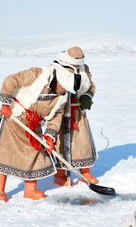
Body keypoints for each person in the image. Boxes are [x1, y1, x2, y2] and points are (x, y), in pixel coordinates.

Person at [0, 59, 82, 202]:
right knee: (4, 154)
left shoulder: (61, 97)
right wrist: (5, 104)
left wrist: (49, 137)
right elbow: (10, 80)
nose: (65, 92)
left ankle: (30, 191)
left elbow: (55, 117)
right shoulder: (38, 74)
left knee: (36, 156)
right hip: (13, 118)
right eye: (65, 88)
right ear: (59, 81)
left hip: (32, 126)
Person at [53, 46, 98, 186]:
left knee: (82, 140)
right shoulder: (57, 68)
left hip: (78, 111)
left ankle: (85, 171)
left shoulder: (85, 68)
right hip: (61, 111)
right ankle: (60, 174)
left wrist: (87, 96)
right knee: (61, 142)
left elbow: (91, 85)